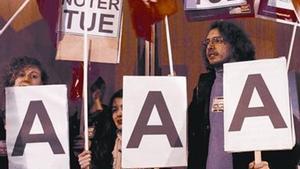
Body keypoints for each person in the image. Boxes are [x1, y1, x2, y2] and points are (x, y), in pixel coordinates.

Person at [188, 21, 299, 169]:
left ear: (235, 44)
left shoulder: (255, 78)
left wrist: (271, 165)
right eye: (207, 42)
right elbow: (193, 135)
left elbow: (277, 134)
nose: (210, 46)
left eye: (218, 40)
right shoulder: (203, 86)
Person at [0, 56, 49, 169]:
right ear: (12, 83)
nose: (26, 80)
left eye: (34, 76)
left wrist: (81, 160)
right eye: (21, 75)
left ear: (42, 85)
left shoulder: (53, 123)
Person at [78, 89, 122, 169]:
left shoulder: (144, 143)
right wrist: (87, 166)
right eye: (114, 110)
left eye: (124, 108)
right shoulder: (107, 144)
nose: (119, 114)